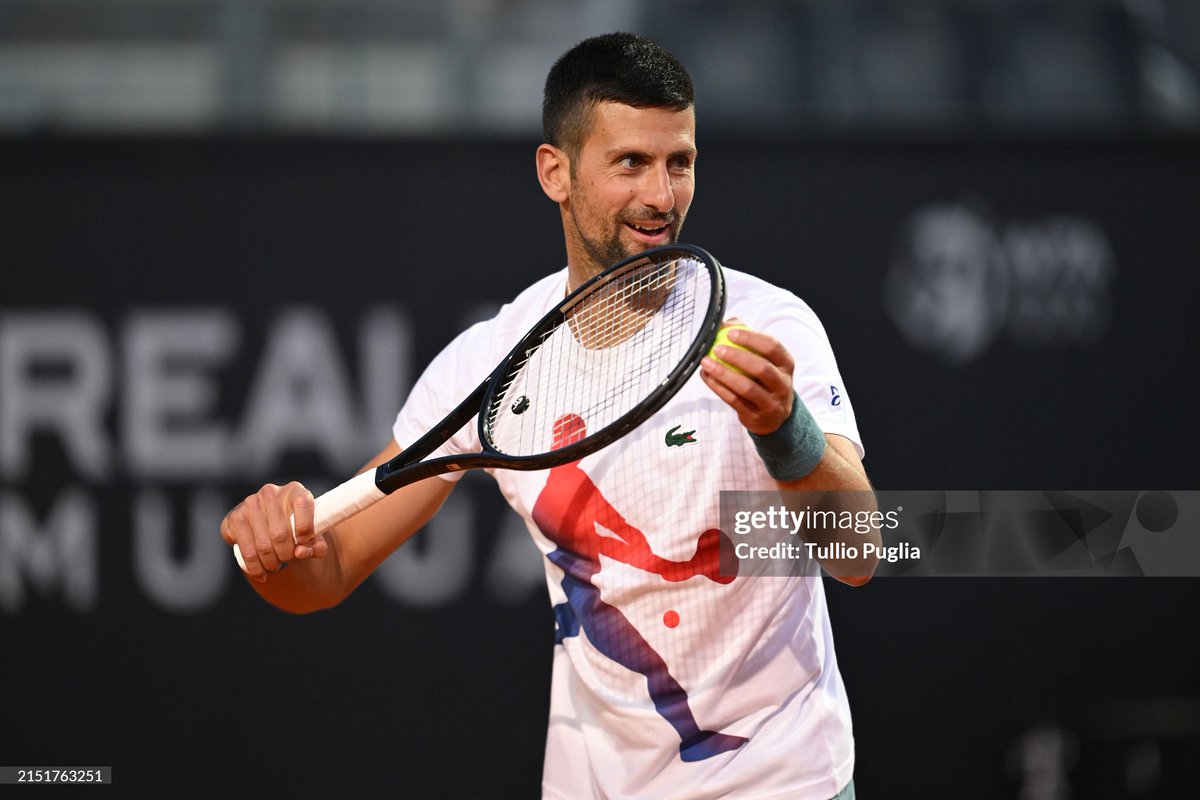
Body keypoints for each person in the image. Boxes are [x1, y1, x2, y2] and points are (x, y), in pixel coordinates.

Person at [221, 32, 879, 800]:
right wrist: (278, 554)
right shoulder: (489, 364)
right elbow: (325, 575)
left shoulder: (769, 325)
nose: (661, 198)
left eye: (680, 162)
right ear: (555, 172)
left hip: (781, 780)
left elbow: (862, 552)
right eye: (630, 163)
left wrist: (784, 430)